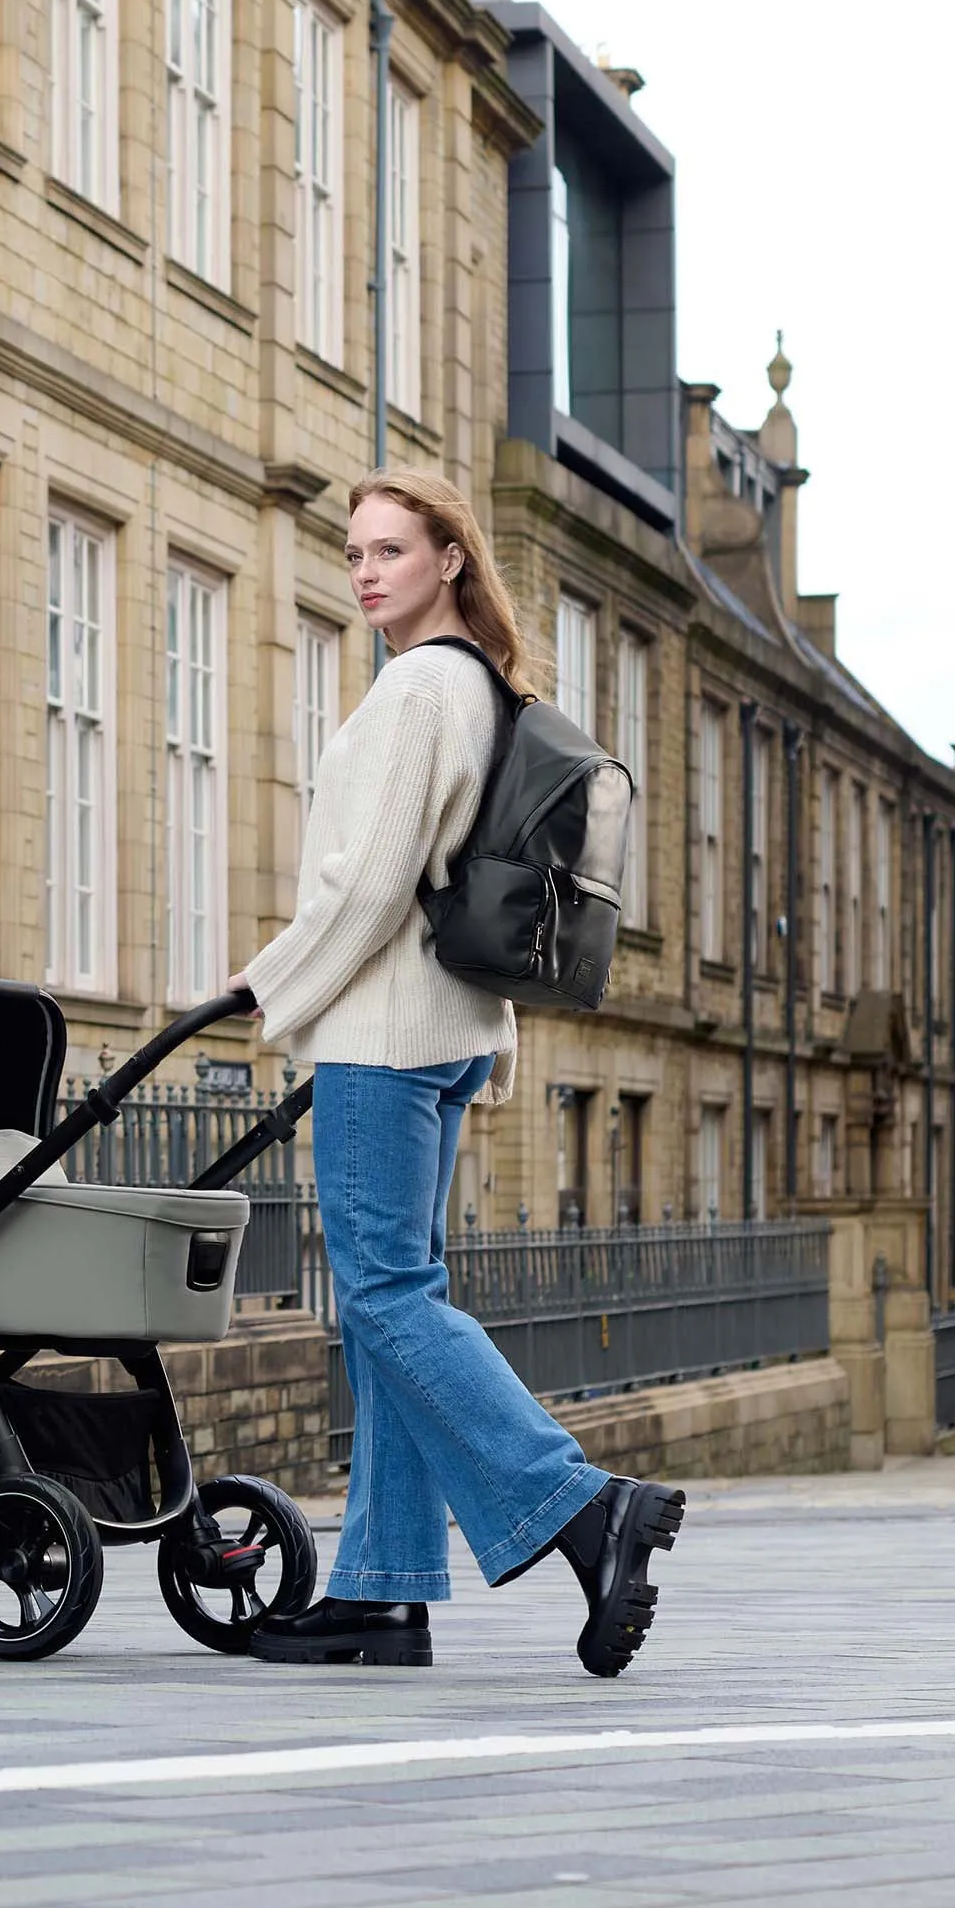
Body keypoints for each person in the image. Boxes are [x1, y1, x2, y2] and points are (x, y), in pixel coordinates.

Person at [233, 470, 684, 1673]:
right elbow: (478, 880)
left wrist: (265, 989)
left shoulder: (417, 689)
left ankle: (581, 1506)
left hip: (382, 1038)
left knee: (382, 1298)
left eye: (390, 549)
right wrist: (494, 1036)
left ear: (448, 561)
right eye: (352, 552)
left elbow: (371, 885)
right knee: (395, 1313)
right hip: (446, 1032)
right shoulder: (485, 689)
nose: (365, 570)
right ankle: (380, 1588)